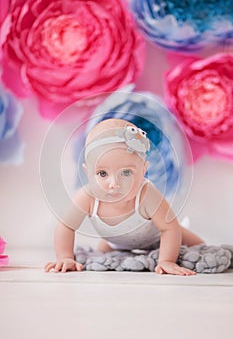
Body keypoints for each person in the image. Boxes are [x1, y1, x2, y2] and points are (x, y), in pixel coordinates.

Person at [45, 118, 204, 275]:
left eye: (126, 173)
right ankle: (114, 247)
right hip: (114, 243)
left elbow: (170, 228)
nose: (114, 184)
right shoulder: (87, 197)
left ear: (143, 170)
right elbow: (66, 226)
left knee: (198, 247)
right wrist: (65, 256)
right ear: (88, 173)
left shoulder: (146, 194)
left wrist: (166, 261)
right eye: (102, 173)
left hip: (156, 238)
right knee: (104, 254)